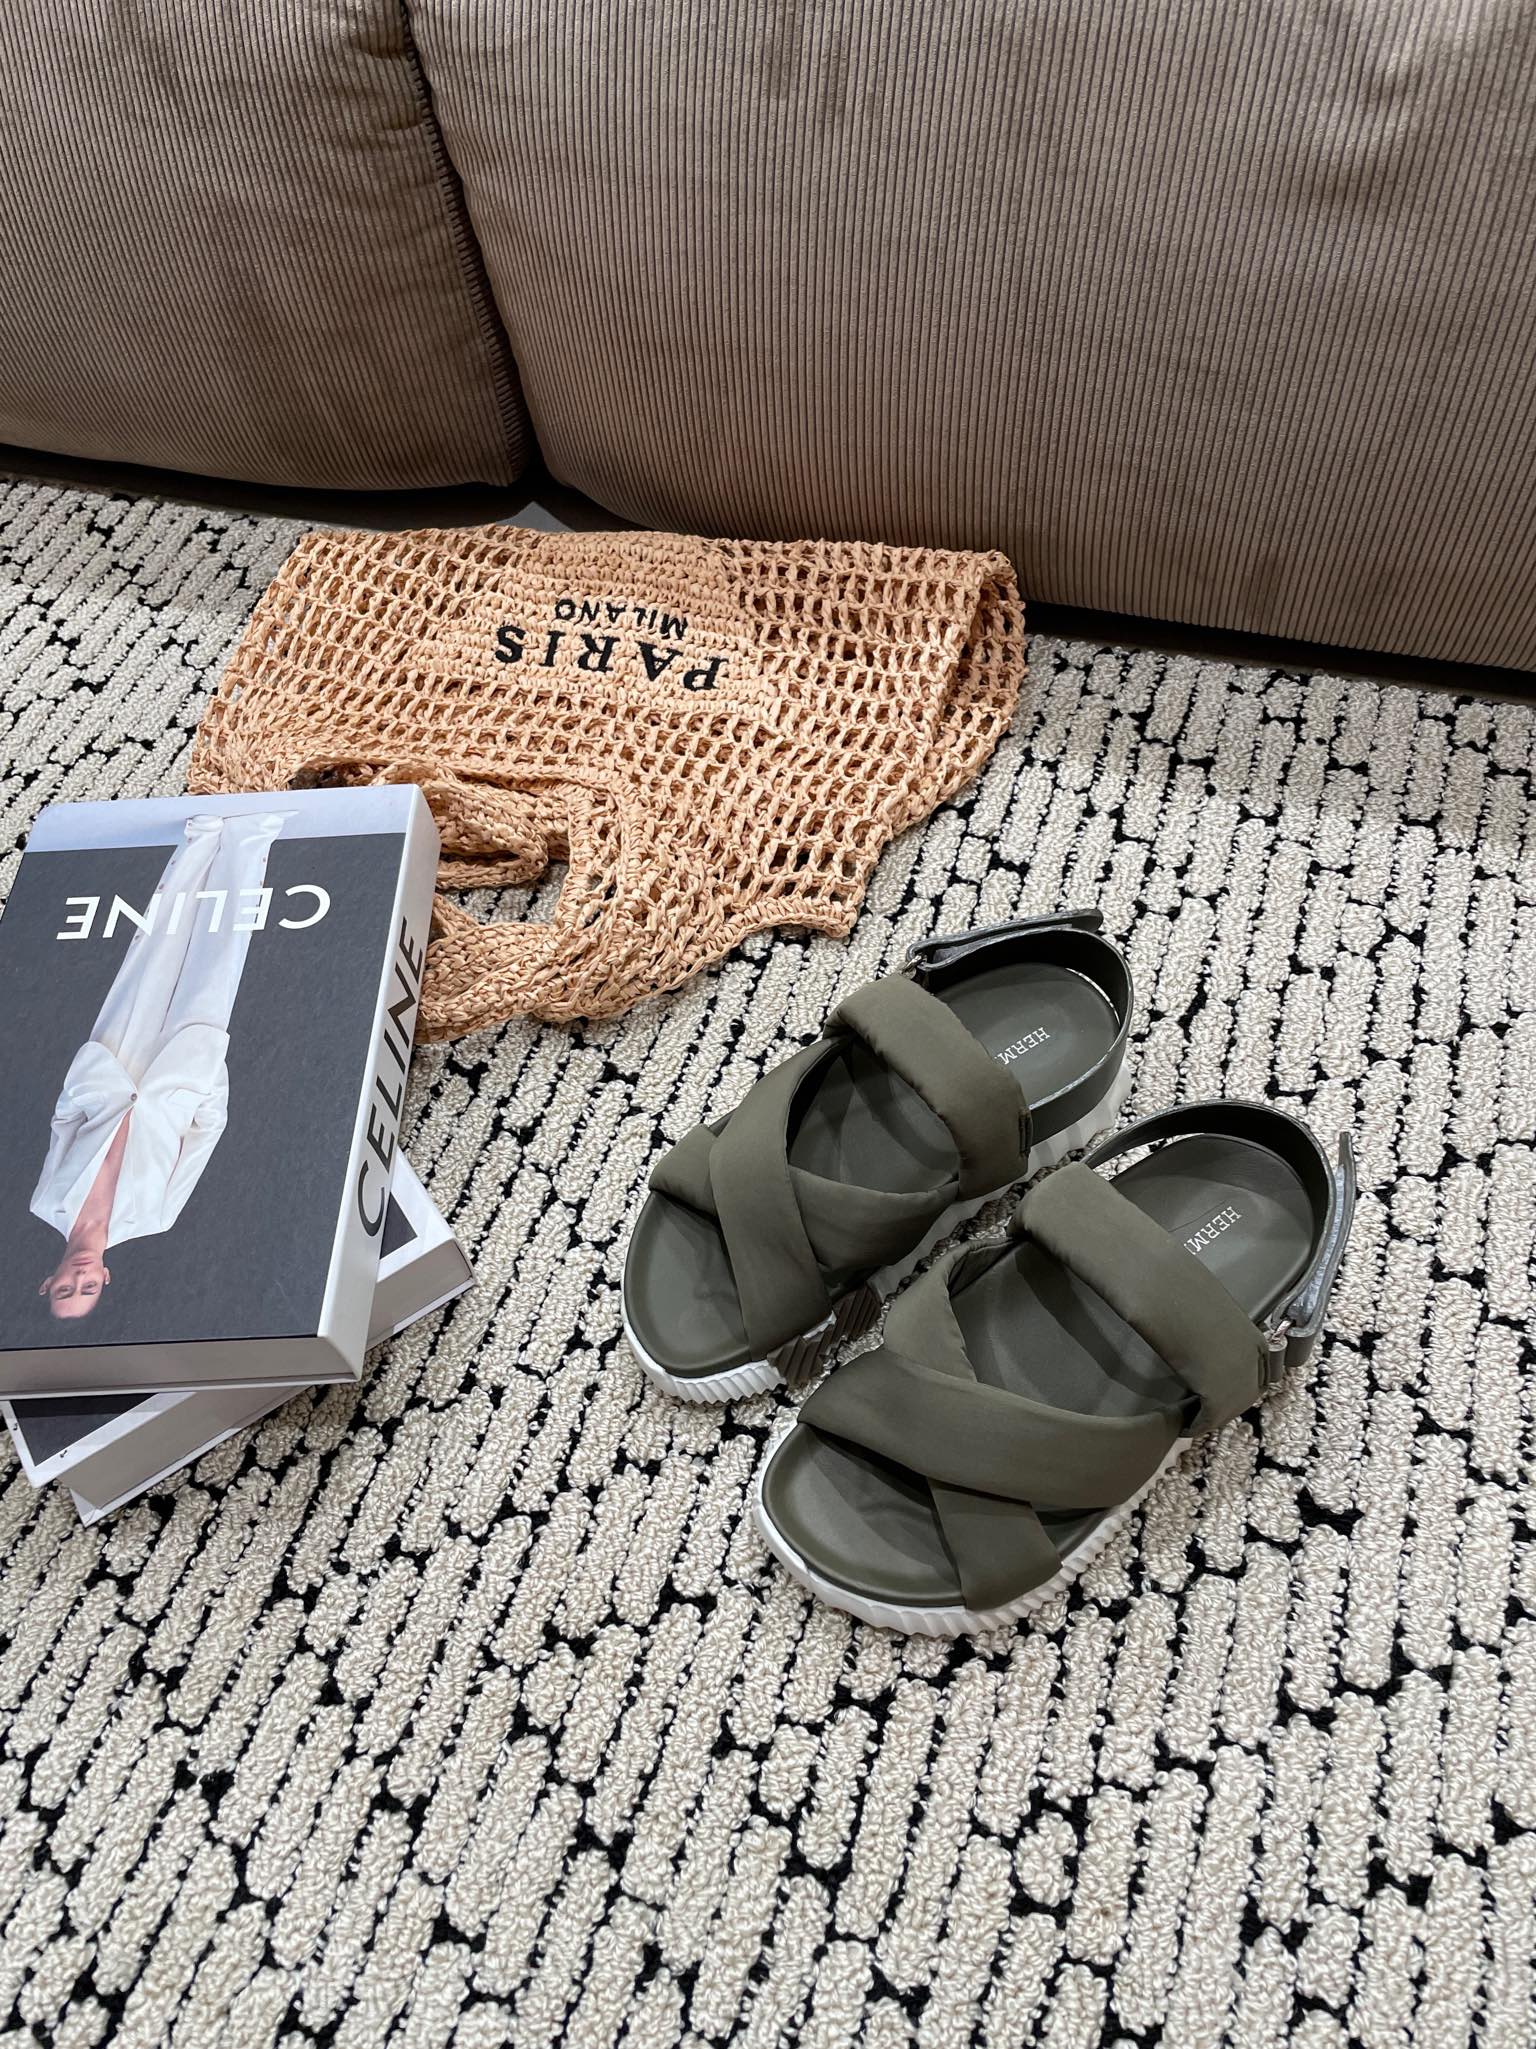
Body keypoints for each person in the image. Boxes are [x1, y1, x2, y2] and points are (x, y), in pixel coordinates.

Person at [31, 810, 288, 1320]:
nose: (79, 1277)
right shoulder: (154, 1218)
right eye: (88, 1288)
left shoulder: (45, 1202)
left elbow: (63, 1124)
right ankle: (251, 837)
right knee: (220, 957)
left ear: (48, 1284)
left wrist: (88, 1076)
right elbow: (204, 1137)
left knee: (152, 949)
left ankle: (201, 841)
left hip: (114, 1061)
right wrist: (204, 1075)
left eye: (66, 1289)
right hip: (183, 1073)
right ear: (105, 1279)